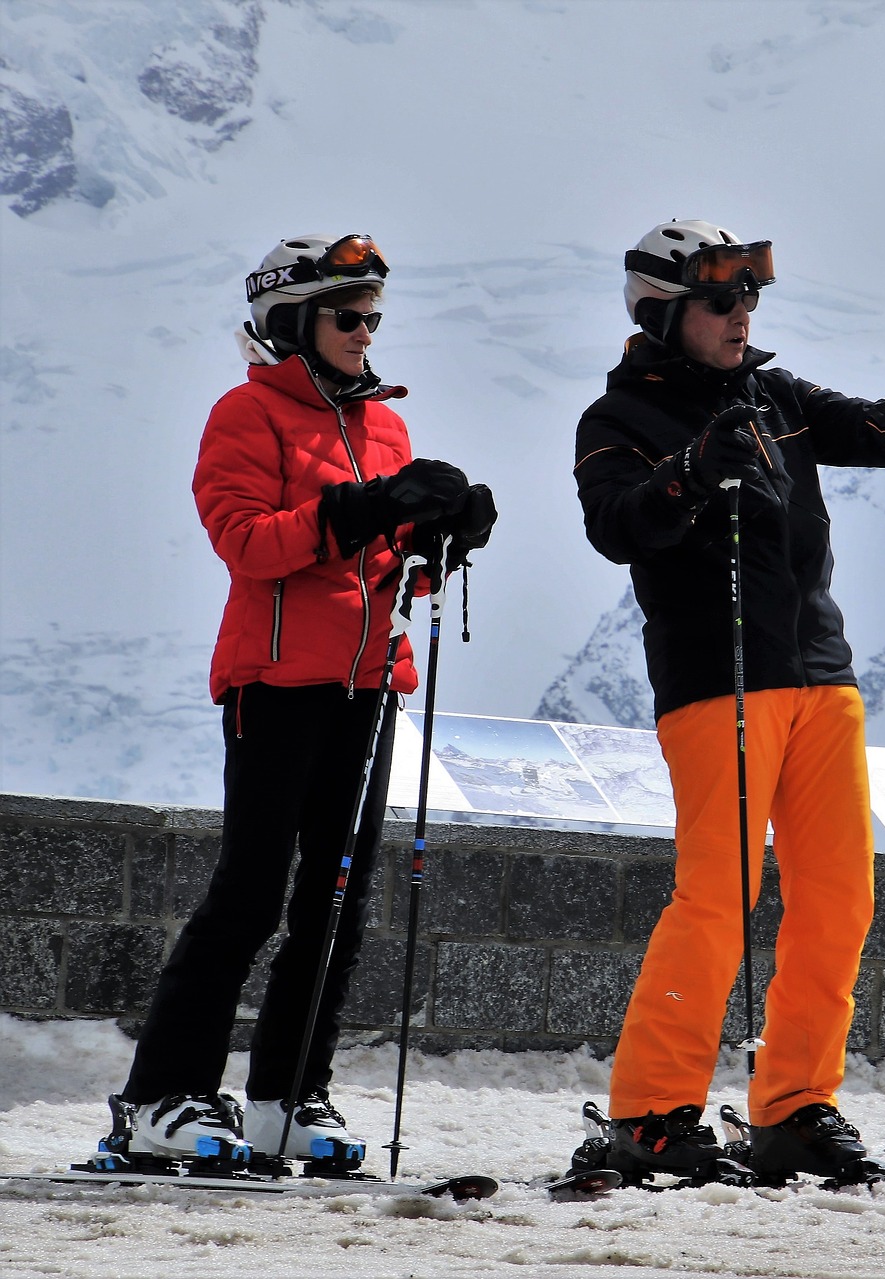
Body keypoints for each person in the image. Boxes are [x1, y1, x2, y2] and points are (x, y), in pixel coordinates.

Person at [569, 219, 885, 1185]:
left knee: (838, 901)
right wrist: (690, 470)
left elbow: (879, 431)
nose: (743, 313)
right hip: (713, 683)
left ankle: (796, 1108)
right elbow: (617, 525)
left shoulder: (774, 395)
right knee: (718, 901)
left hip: (820, 676)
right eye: (722, 301)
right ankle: (648, 1115)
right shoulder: (616, 419)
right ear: (661, 312)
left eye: (750, 297)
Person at [106, 235, 495, 1171]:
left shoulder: (382, 425)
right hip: (275, 682)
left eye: (373, 317)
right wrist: (364, 510)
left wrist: (440, 529)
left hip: (365, 680)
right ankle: (161, 1097)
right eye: (347, 315)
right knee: (248, 892)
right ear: (293, 324)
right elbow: (244, 541)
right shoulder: (247, 413)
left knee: (336, 898)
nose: (366, 332)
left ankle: (285, 1095)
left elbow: (385, 555)